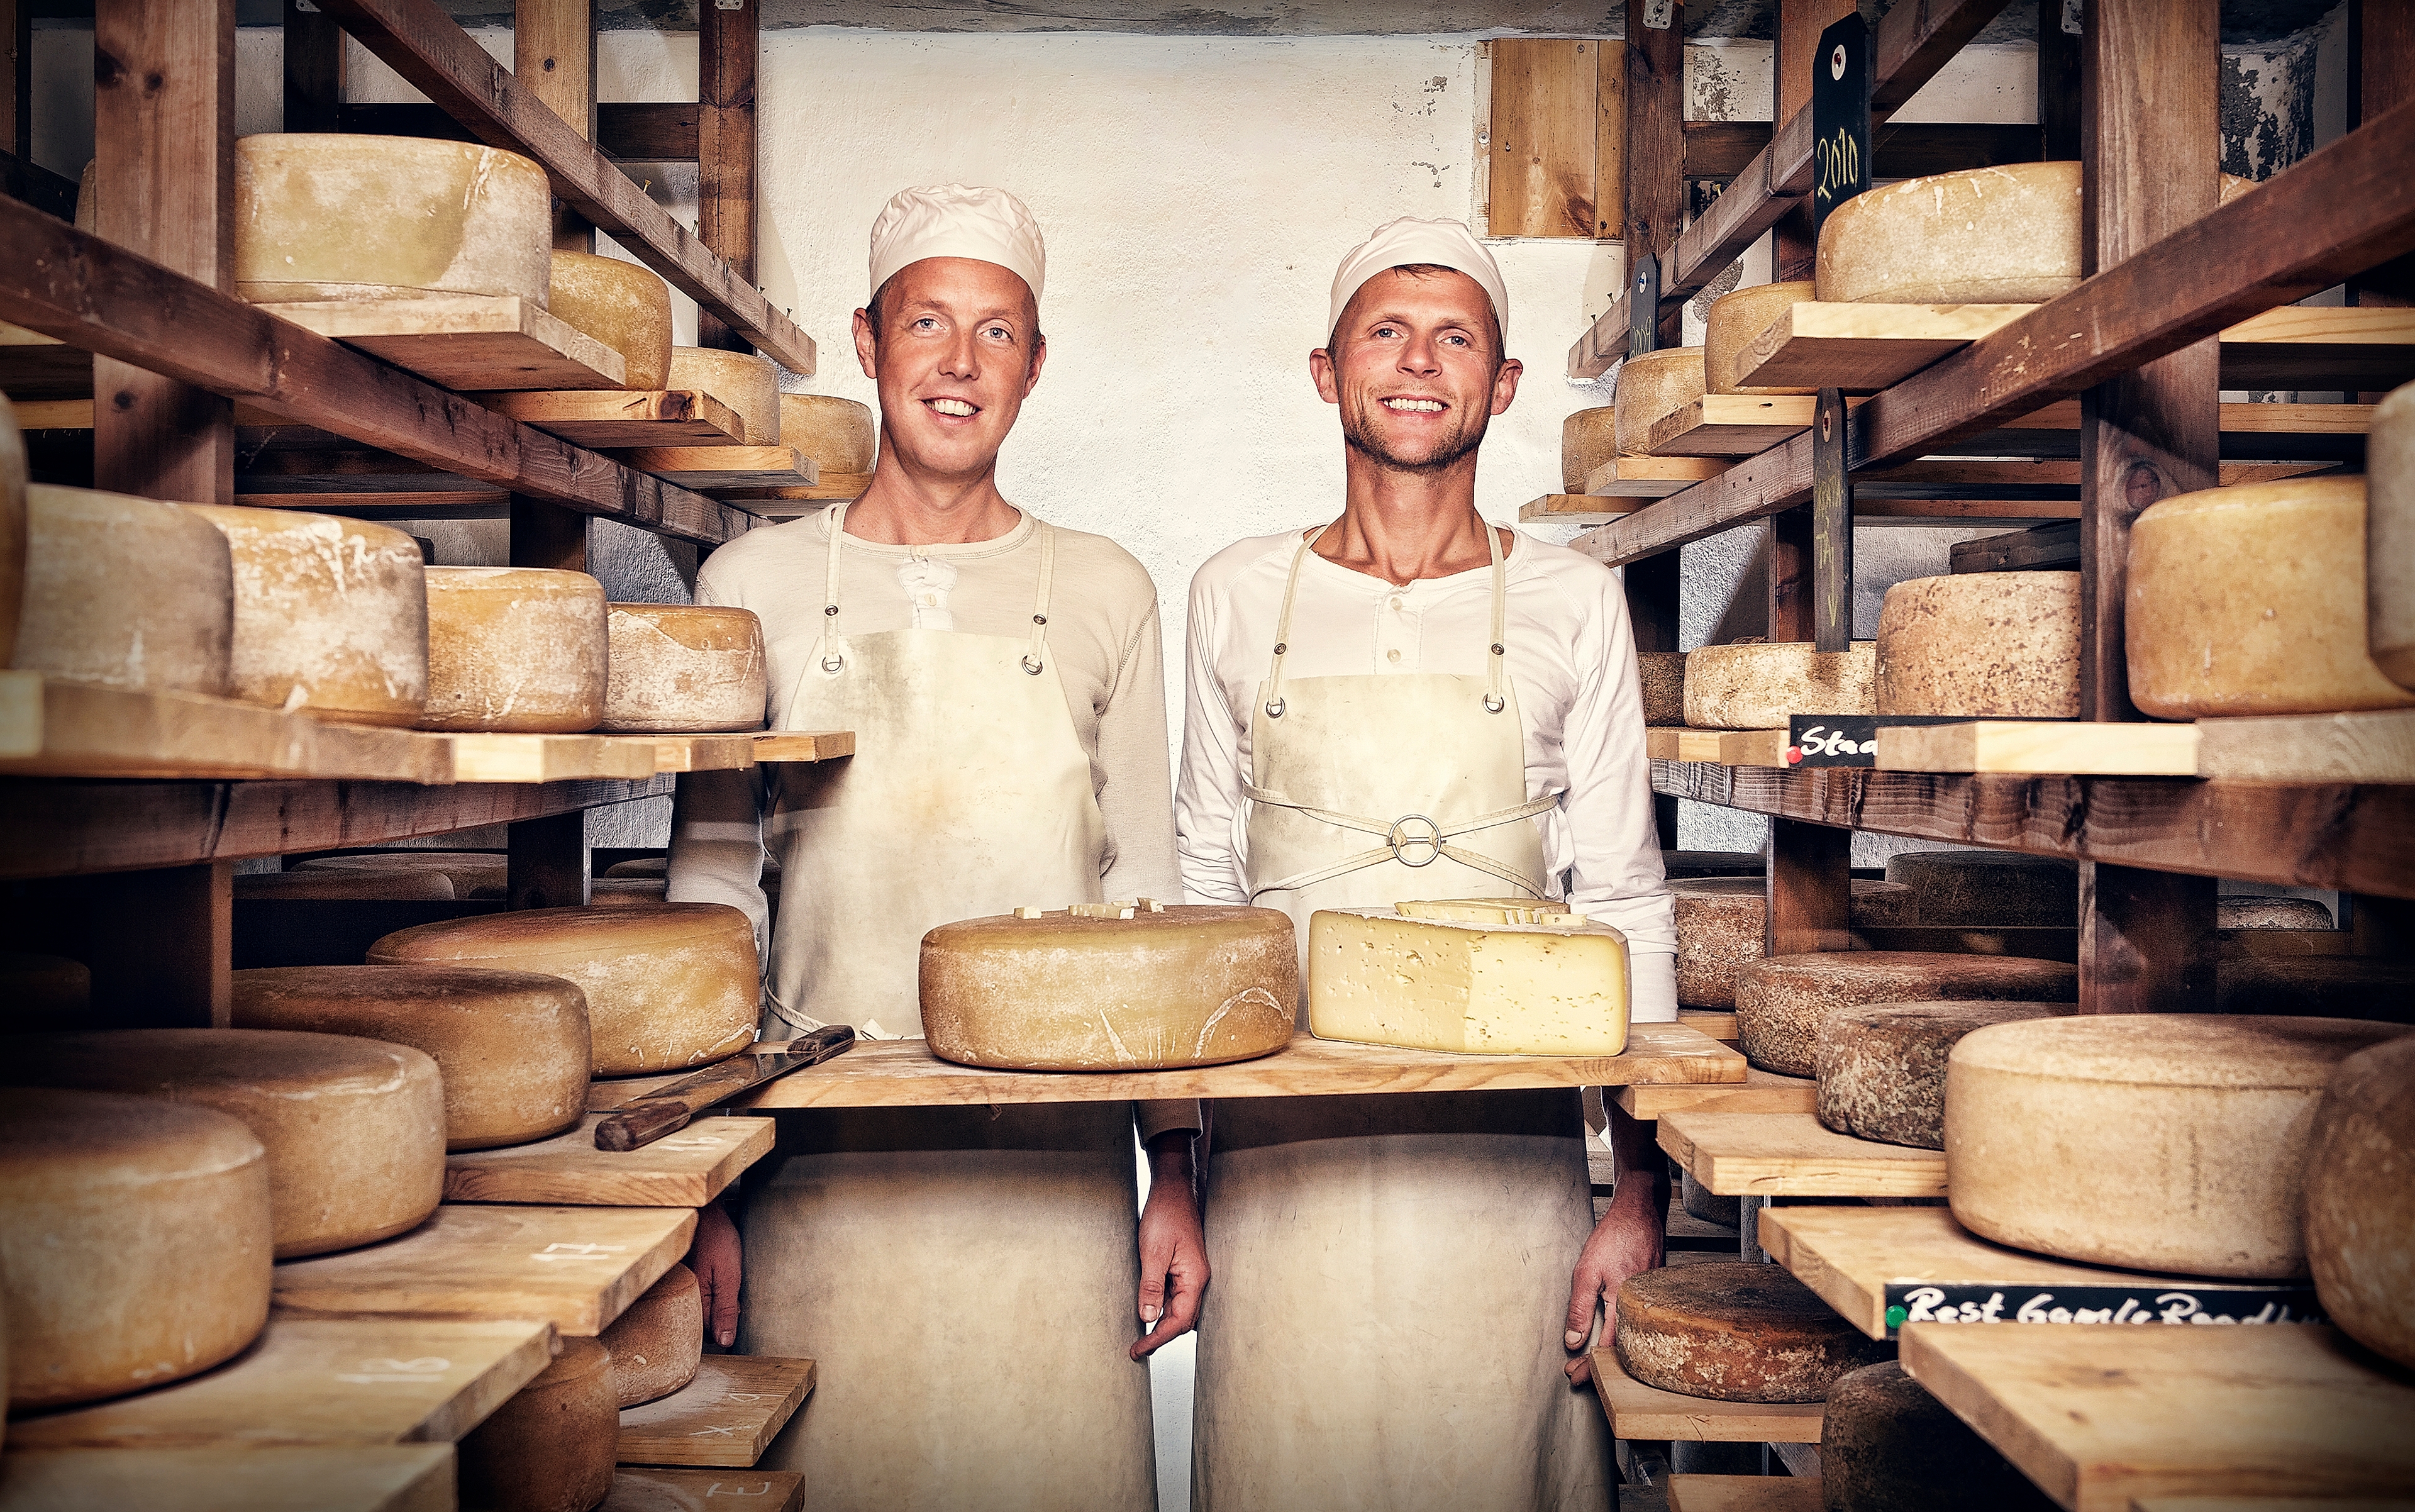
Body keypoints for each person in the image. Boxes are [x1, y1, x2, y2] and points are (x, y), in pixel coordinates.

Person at [665, 184, 1202, 1509]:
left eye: (998, 332)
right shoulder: (754, 584)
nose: (960, 364)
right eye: (926, 323)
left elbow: (1148, 898)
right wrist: (698, 1189)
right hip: (816, 1168)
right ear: (866, 339)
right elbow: (714, 897)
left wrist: (1176, 1167)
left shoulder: (1105, 589)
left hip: (1053, 1164)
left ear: (1034, 363)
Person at [1174, 216, 1677, 1511]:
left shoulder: (1572, 598)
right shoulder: (1238, 592)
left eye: (1456, 336)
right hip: (1281, 1171)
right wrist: (1173, 1173)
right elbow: (1199, 898)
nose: (1418, 361)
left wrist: (1641, 1191)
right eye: (1384, 332)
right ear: (1326, 369)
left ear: (1502, 386)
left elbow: (1623, 894)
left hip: (1507, 1171)